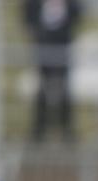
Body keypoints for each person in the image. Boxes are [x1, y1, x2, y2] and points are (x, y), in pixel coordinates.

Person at [23, 0, 83, 143]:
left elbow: (77, 14)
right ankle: (39, 130)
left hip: (63, 46)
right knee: (42, 89)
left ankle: (66, 129)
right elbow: (28, 15)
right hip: (43, 45)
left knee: (64, 89)